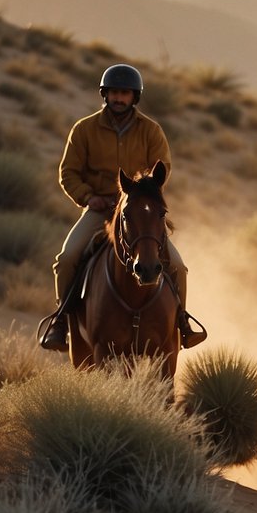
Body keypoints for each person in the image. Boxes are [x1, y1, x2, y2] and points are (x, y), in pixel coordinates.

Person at [39, 63, 206, 352]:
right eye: (114, 92)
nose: (119, 98)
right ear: (105, 94)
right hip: (99, 209)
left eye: (125, 93)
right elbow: (68, 173)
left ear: (134, 97)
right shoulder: (84, 129)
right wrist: (88, 197)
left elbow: (161, 169)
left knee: (177, 265)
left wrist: (140, 194)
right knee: (66, 259)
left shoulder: (151, 131)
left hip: (138, 211)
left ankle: (181, 321)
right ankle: (62, 322)